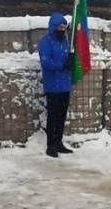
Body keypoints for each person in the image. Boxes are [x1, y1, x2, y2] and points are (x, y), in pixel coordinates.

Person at [38, 12, 75, 158]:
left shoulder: (65, 41)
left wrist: (71, 61)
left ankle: (59, 141)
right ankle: (51, 144)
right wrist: (62, 65)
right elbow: (45, 62)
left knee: (61, 115)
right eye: (59, 26)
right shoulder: (45, 42)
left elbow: (67, 59)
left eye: (64, 27)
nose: (62, 29)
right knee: (53, 115)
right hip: (53, 84)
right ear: (53, 27)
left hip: (65, 84)